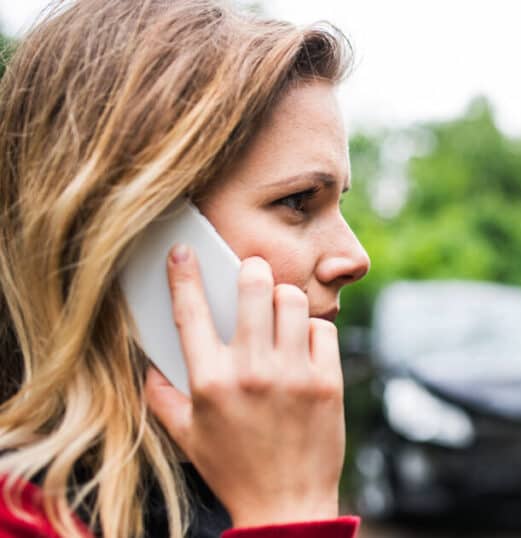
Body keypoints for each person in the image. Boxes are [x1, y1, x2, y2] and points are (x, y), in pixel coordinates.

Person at [0, 0, 371, 536]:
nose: (355, 258)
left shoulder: (233, 482)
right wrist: (289, 518)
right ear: (128, 231)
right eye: (299, 200)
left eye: (341, 204)